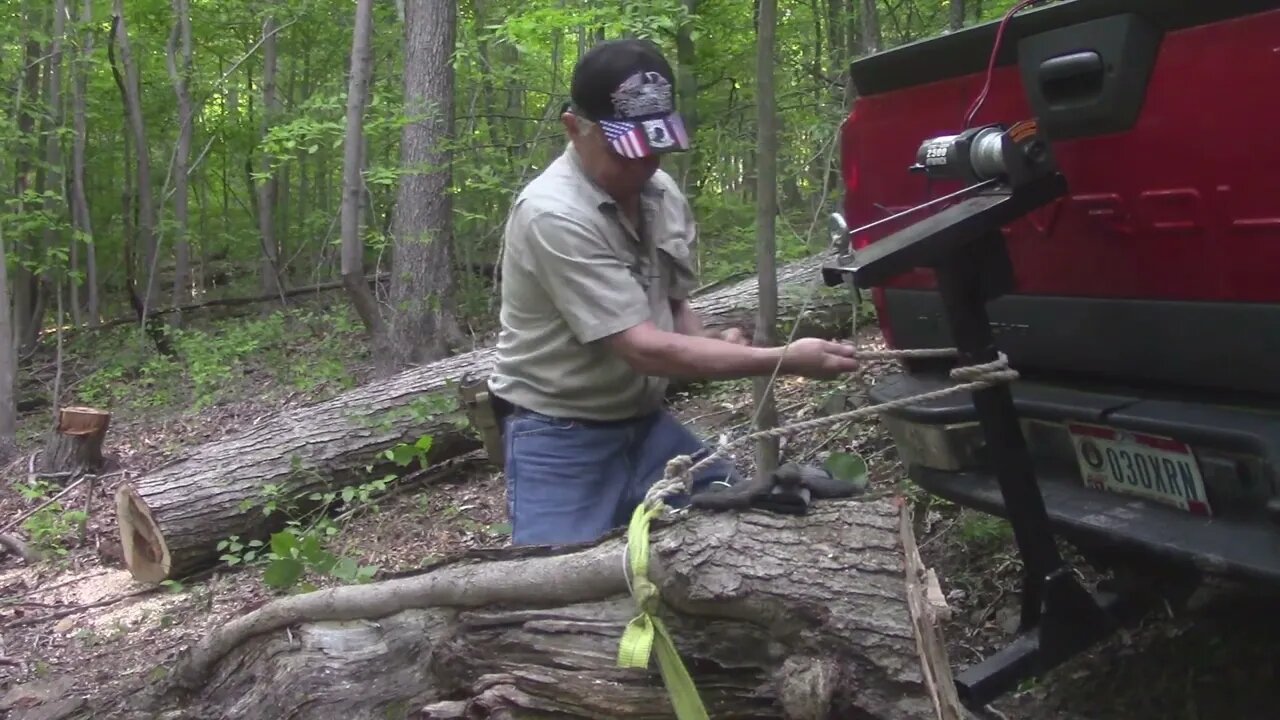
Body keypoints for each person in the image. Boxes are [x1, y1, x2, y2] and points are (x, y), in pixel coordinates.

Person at [487, 37, 859, 547]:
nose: (644, 167)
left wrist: (706, 341)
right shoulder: (553, 214)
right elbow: (641, 347)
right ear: (575, 128)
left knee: (736, 532)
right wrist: (785, 359)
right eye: (627, 153)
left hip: (646, 424)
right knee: (555, 588)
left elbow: (675, 300)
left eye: (655, 148)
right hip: (557, 434)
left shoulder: (660, 192)